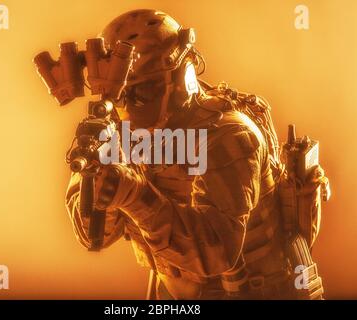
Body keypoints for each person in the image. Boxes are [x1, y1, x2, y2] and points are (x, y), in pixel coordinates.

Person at [65, 9, 329, 299]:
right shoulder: (120, 132)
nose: (129, 110)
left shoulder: (227, 136)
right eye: (123, 96)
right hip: (172, 292)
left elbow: (216, 254)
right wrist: (100, 183)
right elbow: (95, 237)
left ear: (182, 75)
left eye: (144, 91)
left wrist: (134, 195)